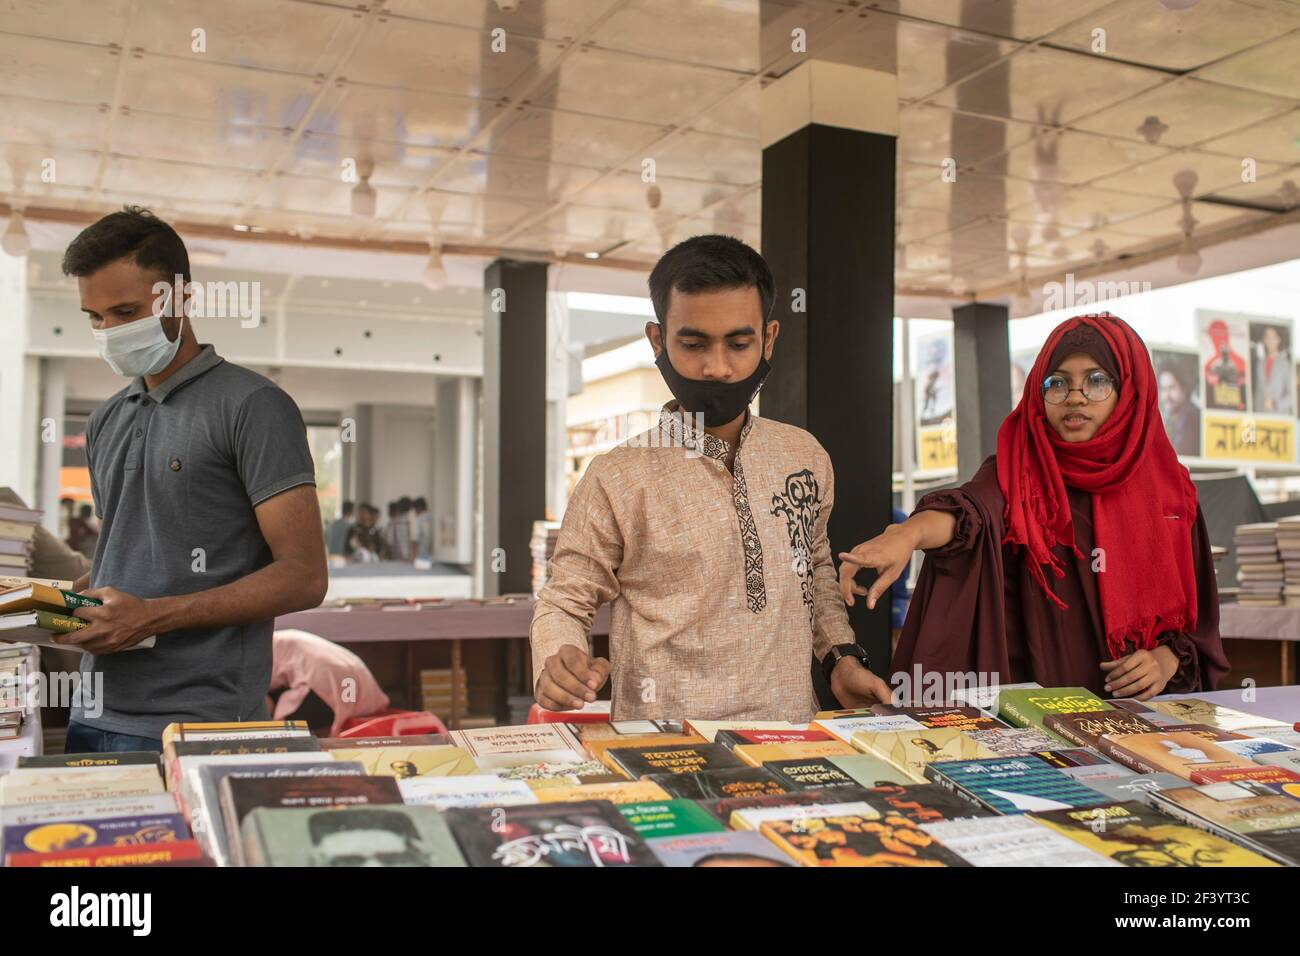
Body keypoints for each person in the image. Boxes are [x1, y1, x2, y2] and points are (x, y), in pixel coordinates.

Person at [530, 234, 891, 721]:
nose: (717, 368)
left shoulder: (803, 456)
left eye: (739, 344)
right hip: (662, 752)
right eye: (694, 343)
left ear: (769, 338)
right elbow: (565, 600)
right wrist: (556, 662)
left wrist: (840, 658)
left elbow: (816, 573)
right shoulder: (617, 477)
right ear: (658, 340)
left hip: (790, 740)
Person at [838, 313, 1228, 702]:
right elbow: (970, 512)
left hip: (1146, 721)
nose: (1075, 395)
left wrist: (1164, 660)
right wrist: (907, 534)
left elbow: (1199, 625)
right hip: (1040, 724)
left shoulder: (1171, 492)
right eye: (1057, 382)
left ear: (1130, 389)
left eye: (1096, 381)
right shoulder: (1020, 468)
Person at [57, 206, 328, 753]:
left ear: (180, 298)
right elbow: (129, 557)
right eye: (95, 317)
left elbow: (304, 576)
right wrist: (56, 605)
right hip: (92, 708)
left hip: (201, 720)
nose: (109, 331)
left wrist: (152, 617)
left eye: (126, 311)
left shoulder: (253, 406)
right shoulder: (106, 418)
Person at [1157, 361, 1201, 458]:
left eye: (1172, 388)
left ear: (1183, 389)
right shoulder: (1176, 416)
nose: (1167, 395)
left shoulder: (1190, 416)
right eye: (1163, 389)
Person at [1253, 324, 1292, 415]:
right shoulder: (1260, 363)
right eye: (1267, 337)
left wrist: (1276, 404)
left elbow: (1291, 395)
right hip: (1262, 417)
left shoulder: (1285, 364)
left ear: (1278, 340)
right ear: (1264, 340)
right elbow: (1258, 393)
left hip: (1280, 417)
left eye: (1273, 337)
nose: (1270, 341)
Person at [412, 496, 433, 565]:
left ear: (419, 508)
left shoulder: (419, 520)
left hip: (421, 556)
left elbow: (415, 540)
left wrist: (413, 558)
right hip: (434, 556)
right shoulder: (433, 518)